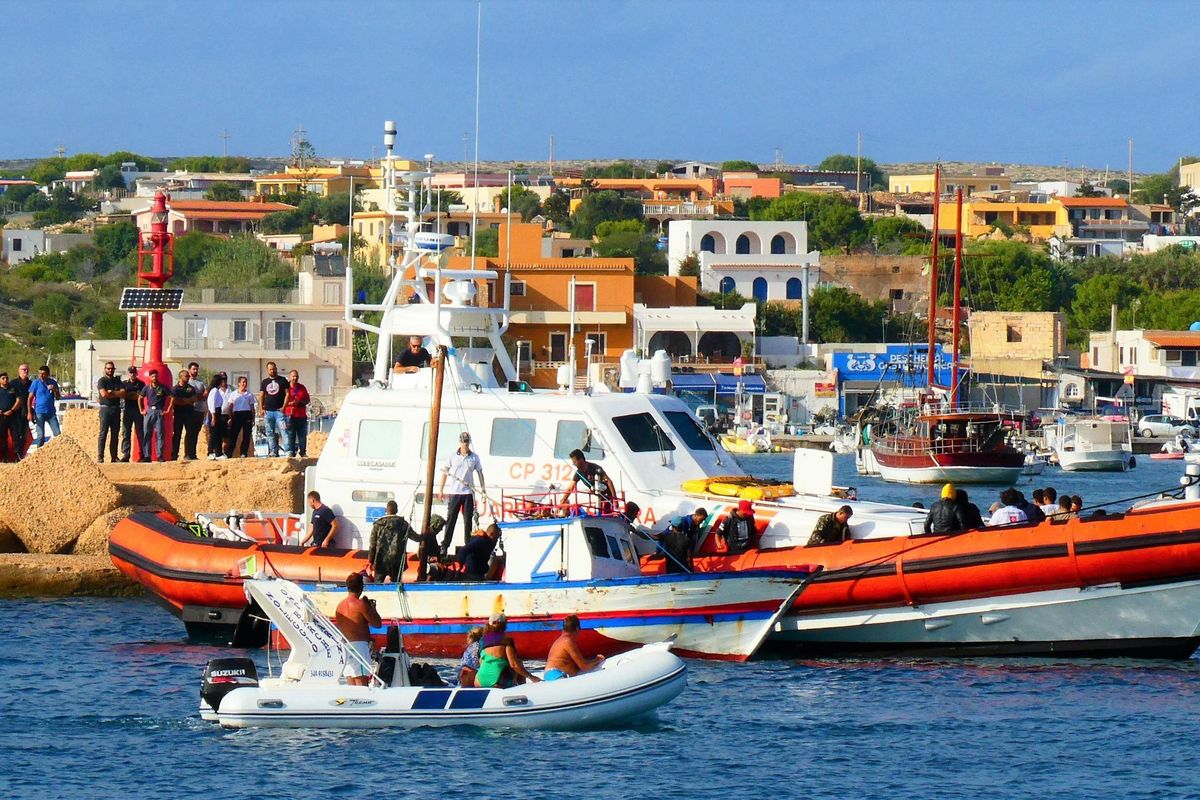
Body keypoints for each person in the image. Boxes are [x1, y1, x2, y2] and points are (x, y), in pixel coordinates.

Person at [438, 431, 486, 557]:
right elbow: (445, 473)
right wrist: (441, 490)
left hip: (468, 493)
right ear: (460, 442)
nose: (465, 444)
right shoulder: (452, 456)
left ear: (469, 442)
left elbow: (480, 473)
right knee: (451, 520)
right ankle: (445, 546)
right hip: (454, 492)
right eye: (463, 441)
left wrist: (483, 490)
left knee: (468, 521)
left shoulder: (474, 457)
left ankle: (468, 546)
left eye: (467, 442)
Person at [334, 572, 381, 687]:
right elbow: (377, 623)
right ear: (361, 587)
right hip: (359, 647)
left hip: (346, 647)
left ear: (347, 586)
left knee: (351, 684)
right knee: (362, 685)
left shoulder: (339, 606)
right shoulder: (360, 605)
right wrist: (372, 608)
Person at [475, 613, 539, 688]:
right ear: (502, 624)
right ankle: (522, 689)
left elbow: (481, 662)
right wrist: (531, 677)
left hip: (479, 681)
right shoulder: (507, 640)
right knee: (519, 663)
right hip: (497, 682)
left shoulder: (482, 641)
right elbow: (514, 665)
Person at [543, 615, 604, 680]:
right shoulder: (568, 641)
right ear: (577, 629)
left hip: (550, 674)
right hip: (556, 674)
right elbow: (584, 667)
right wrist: (597, 660)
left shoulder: (560, 640)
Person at [367, 500, 411, 582]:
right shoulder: (404, 524)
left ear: (386, 510)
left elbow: (372, 545)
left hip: (380, 560)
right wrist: (426, 533)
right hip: (397, 562)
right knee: (396, 584)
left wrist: (370, 560)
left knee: (377, 584)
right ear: (397, 510)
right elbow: (416, 537)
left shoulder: (378, 524)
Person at [660, 508, 707, 574]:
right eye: (701, 520)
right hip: (674, 556)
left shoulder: (696, 525)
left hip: (685, 555)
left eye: (703, 520)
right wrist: (658, 551)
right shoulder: (680, 522)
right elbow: (664, 535)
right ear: (695, 515)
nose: (701, 522)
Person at [139, 369, 171, 462]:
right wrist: (141, 409)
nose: (154, 378)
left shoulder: (163, 387)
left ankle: (160, 455)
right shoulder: (146, 388)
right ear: (150, 377)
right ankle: (147, 456)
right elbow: (140, 398)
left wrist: (168, 409)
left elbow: (172, 397)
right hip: (149, 411)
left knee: (160, 434)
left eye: (156, 376)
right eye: (152, 376)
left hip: (159, 411)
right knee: (147, 434)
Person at [222, 376, 257, 458]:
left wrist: (253, 418)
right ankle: (229, 452)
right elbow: (230, 406)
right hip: (237, 414)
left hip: (247, 414)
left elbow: (252, 407)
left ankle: (244, 452)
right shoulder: (233, 394)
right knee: (233, 434)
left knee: (246, 435)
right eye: (243, 382)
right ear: (239, 383)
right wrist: (230, 417)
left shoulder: (249, 394)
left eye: (246, 382)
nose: (244, 384)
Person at [95, 361, 123, 463]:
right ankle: (100, 456)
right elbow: (104, 394)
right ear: (105, 369)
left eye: (112, 368)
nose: (110, 370)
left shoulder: (117, 381)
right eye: (108, 368)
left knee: (115, 434)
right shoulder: (102, 381)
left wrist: (113, 392)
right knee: (103, 433)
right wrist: (116, 394)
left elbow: (123, 393)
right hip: (105, 409)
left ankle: (114, 457)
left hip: (116, 409)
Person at [28, 364, 62, 448]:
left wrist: (54, 390)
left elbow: (58, 397)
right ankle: (39, 452)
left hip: (51, 412)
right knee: (40, 436)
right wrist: (29, 412)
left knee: (58, 434)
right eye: (39, 373)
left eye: (43, 374)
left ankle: (59, 450)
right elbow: (30, 398)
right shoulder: (36, 383)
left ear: (48, 374)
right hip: (39, 412)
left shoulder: (53, 382)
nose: (41, 376)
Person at [258, 361, 287, 457]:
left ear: (276, 369)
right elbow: (261, 395)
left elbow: (288, 394)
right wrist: (261, 408)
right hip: (268, 412)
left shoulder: (282, 380)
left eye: (274, 369)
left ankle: (288, 451)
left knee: (284, 431)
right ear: (268, 370)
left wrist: (284, 407)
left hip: (279, 412)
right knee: (270, 432)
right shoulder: (265, 382)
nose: (272, 371)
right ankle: (273, 451)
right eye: (270, 369)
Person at [170, 370, 200, 460]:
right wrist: (187, 400)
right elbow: (174, 401)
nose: (188, 377)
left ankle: (188, 454)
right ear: (181, 377)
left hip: (189, 414)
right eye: (186, 376)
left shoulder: (191, 388)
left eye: (188, 376)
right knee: (177, 435)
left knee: (190, 434)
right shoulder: (175, 389)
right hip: (178, 415)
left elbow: (194, 399)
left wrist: (182, 400)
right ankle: (174, 455)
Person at [282, 369, 310, 457]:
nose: (295, 378)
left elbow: (307, 399)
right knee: (291, 434)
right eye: (293, 376)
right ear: (290, 377)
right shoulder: (285, 388)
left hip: (301, 415)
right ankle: (291, 451)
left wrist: (300, 402)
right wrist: (290, 403)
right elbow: (281, 401)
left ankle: (303, 452)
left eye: (296, 376)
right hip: (290, 415)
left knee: (302, 435)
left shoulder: (302, 387)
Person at [119, 366, 144, 462]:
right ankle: (126, 454)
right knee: (126, 433)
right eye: (130, 372)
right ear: (128, 373)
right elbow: (123, 395)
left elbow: (140, 396)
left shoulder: (141, 384)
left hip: (138, 410)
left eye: (134, 372)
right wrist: (131, 395)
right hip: (127, 410)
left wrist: (129, 395)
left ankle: (142, 454)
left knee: (140, 433)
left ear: (136, 373)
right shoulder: (124, 384)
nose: (132, 374)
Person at [9, 363, 32, 459]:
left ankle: (20, 454)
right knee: (15, 434)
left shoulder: (31, 384)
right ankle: (16, 454)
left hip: (26, 412)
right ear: (19, 371)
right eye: (23, 369)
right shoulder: (13, 383)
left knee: (24, 434)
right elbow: (8, 396)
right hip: (15, 412)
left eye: (27, 369)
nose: (25, 371)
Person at [205, 373, 229, 460]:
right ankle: (210, 452)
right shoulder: (214, 390)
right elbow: (211, 404)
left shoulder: (217, 390)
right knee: (214, 433)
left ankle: (218, 452)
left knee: (218, 433)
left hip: (218, 412)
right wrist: (213, 416)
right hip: (214, 413)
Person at [0, 372, 18, 463]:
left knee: (15, 436)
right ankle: (5, 457)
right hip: (2, 417)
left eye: (6, 378)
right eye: (3, 378)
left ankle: (17, 456)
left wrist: (12, 410)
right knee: (3, 437)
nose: (5, 380)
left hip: (13, 416)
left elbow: (18, 400)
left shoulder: (13, 389)